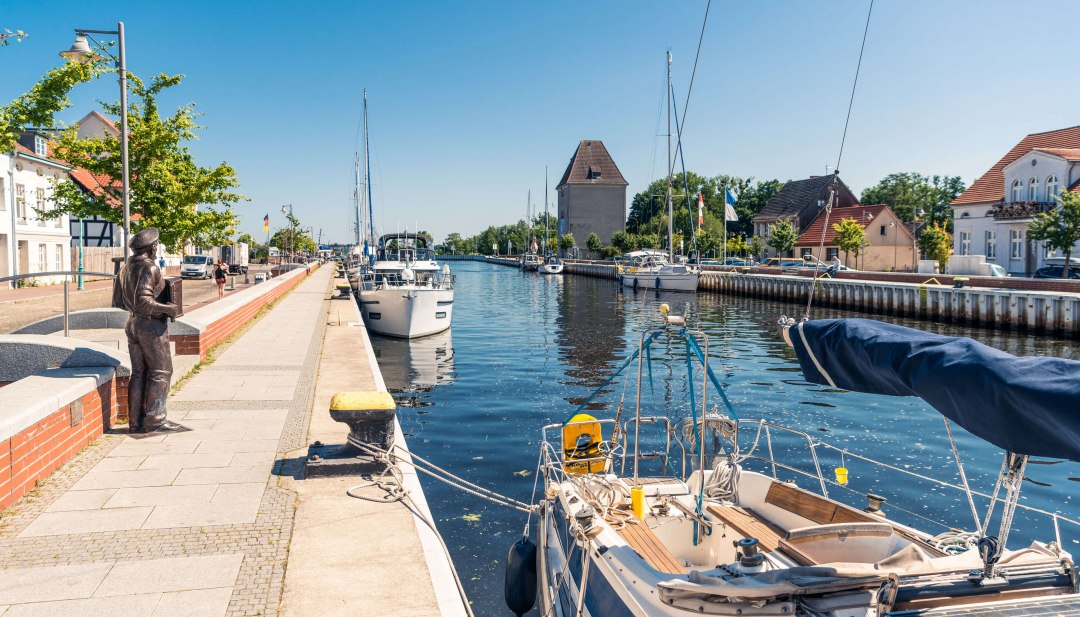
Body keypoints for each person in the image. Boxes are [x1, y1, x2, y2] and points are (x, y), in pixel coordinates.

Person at [112, 227, 181, 433]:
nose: (156, 249)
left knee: (139, 373)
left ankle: (135, 421)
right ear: (151, 248)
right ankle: (155, 420)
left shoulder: (125, 268)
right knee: (161, 372)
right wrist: (168, 309)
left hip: (132, 324)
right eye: (156, 246)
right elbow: (143, 301)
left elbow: (118, 301)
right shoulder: (150, 268)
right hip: (150, 327)